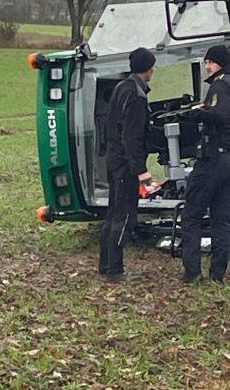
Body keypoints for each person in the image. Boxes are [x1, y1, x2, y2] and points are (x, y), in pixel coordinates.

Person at [181, 45, 230, 283]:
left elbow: (218, 114)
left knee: (193, 215)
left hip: (214, 159)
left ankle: (192, 272)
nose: (206, 66)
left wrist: (197, 112)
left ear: (218, 63)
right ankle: (218, 274)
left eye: (209, 62)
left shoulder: (220, 85)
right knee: (221, 219)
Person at [99, 47, 155, 282]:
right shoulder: (136, 96)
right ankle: (115, 270)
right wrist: (140, 170)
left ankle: (105, 264)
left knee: (112, 213)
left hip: (113, 159)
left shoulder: (121, 88)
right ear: (149, 69)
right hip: (124, 165)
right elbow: (131, 137)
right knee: (123, 216)